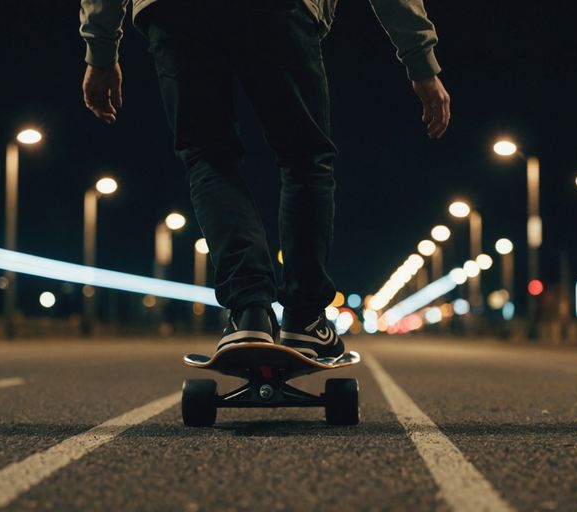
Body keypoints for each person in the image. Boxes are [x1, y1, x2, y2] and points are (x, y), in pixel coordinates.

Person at [79, 0, 449, 357]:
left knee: (209, 157)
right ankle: (304, 319)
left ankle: (249, 312)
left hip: (176, 14)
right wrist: (421, 62)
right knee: (305, 157)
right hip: (277, 11)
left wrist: (100, 48)